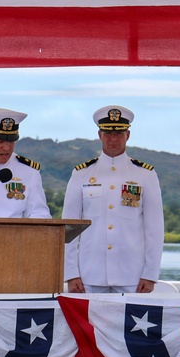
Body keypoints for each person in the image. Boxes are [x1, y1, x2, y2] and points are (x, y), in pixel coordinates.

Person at [62, 106, 164, 294]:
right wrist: (71, 273)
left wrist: (150, 274)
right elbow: (68, 229)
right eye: (108, 133)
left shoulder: (145, 174)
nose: (113, 138)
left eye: (119, 133)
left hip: (132, 276)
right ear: (100, 135)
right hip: (89, 275)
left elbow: (154, 230)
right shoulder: (81, 174)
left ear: (128, 135)